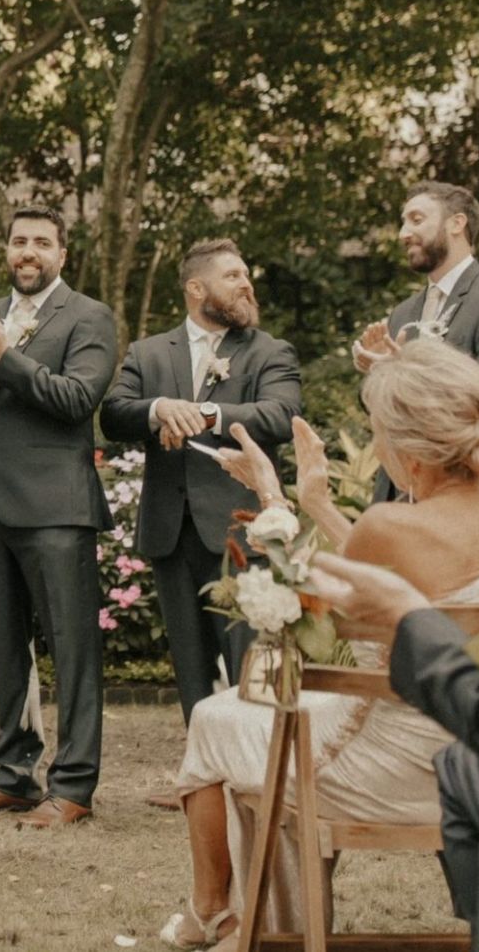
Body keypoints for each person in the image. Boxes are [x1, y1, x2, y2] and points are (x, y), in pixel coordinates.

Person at [158, 340, 479, 948]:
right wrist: (318, 503)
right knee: (248, 728)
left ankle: (222, 913)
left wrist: (270, 492)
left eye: (378, 432)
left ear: (407, 449)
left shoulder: (387, 526)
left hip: (386, 767)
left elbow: (303, 600)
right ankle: (247, 918)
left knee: (216, 720)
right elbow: (387, 573)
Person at [305, 414, 479, 952]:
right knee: (458, 768)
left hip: (467, 760)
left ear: (409, 455)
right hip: (451, 752)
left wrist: (410, 617)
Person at [0, 204, 115, 828]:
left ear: (62, 253)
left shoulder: (88, 316)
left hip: (57, 508)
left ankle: (74, 785)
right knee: (6, 650)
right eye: (17, 242)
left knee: (72, 649)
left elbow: (77, 399)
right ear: (6, 250)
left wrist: (3, 357)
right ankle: (14, 773)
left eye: (40, 242)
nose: (27, 252)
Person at [101, 240, 302, 729]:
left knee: (252, 665)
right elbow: (113, 414)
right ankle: (205, 765)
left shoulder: (269, 351)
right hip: (172, 533)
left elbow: (281, 415)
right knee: (191, 670)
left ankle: (257, 765)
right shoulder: (148, 353)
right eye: (232, 275)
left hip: (244, 537)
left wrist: (208, 413)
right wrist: (158, 409)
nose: (246, 284)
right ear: (196, 289)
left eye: (245, 274)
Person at [353, 182, 479, 500]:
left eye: (416, 219)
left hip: (466, 490)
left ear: (457, 223)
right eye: (403, 222)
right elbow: (382, 414)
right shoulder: (403, 312)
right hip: (397, 493)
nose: (403, 233)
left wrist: (404, 374)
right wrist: (378, 374)